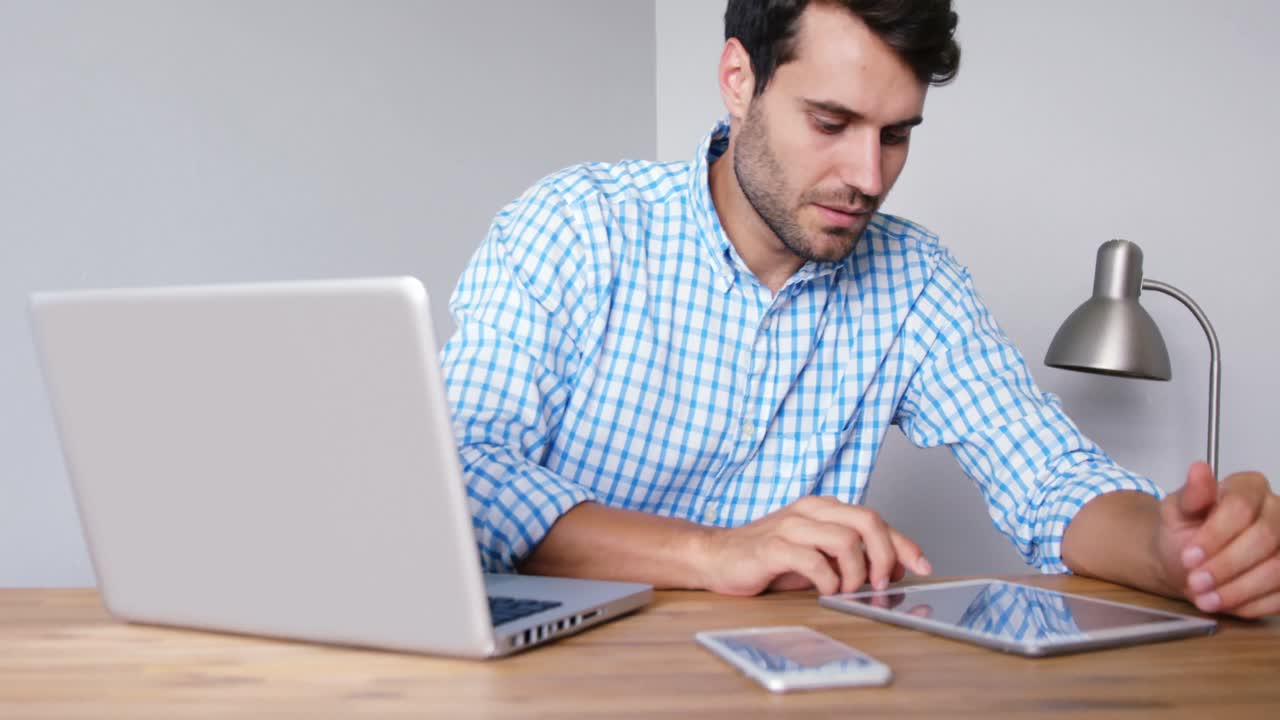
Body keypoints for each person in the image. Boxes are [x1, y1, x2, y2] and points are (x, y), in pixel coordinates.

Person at [441, 0, 1279, 618]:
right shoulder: (578, 226)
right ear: (739, 81)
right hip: (555, 681)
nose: (870, 178)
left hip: (782, 689)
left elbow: (1050, 477)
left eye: (896, 134)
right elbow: (463, 475)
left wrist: (1175, 552)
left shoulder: (913, 279)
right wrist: (710, 552)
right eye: (832, 122)